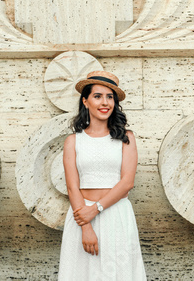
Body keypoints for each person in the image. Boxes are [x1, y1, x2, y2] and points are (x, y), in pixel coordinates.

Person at [58, 71, 147, 280]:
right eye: (97, 96)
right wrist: (86, 225)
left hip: (116, 214)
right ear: (85, 101)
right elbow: (73, 187)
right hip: (81, 217)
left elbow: (127, 182)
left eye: (109, 97)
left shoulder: (126, 138)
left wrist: (96, 209)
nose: (104, 102)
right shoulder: (73, 141)